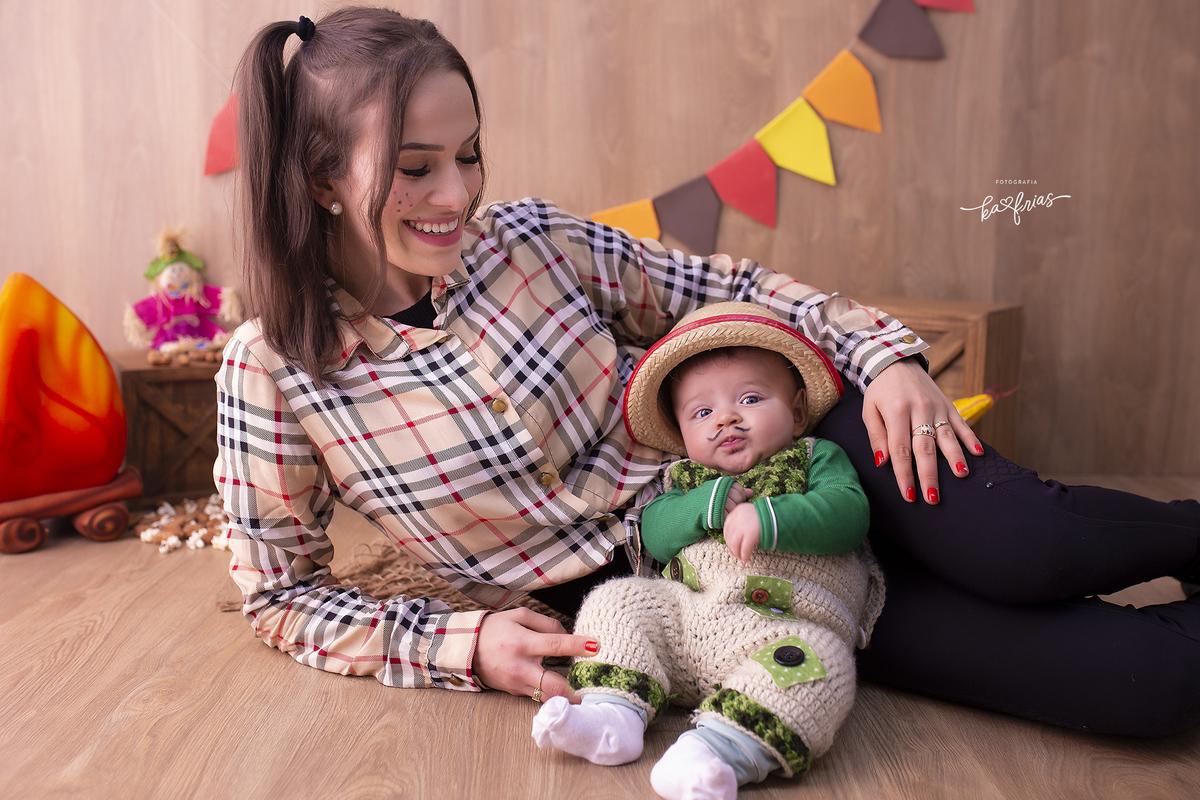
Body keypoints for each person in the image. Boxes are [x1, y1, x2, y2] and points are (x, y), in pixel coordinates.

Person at [216, 5, 1200, 745]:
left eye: (469, 155)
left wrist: (885, 355)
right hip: (705, 595)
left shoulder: (528, 242)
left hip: (791, 445)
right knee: (1143, 686)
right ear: (321, 179)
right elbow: (278, 595)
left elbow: (725, 287)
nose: (459, 192)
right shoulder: (273, 371)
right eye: (416, 167)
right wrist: (459, 644)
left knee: (1023, 545)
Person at [531, 302, 884, 800]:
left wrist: (772, 517)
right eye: (702, 413)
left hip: (783, 630)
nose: (726, 418)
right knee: (617, 600)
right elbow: (655, 534)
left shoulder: (814, 458)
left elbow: (848, 515)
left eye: (750, 398)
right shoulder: (685, 480)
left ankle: (718, 750)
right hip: (688, 624)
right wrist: (702, 506)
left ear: (798, 411)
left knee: (821, 666)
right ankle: (613, 713)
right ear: (682, 434)